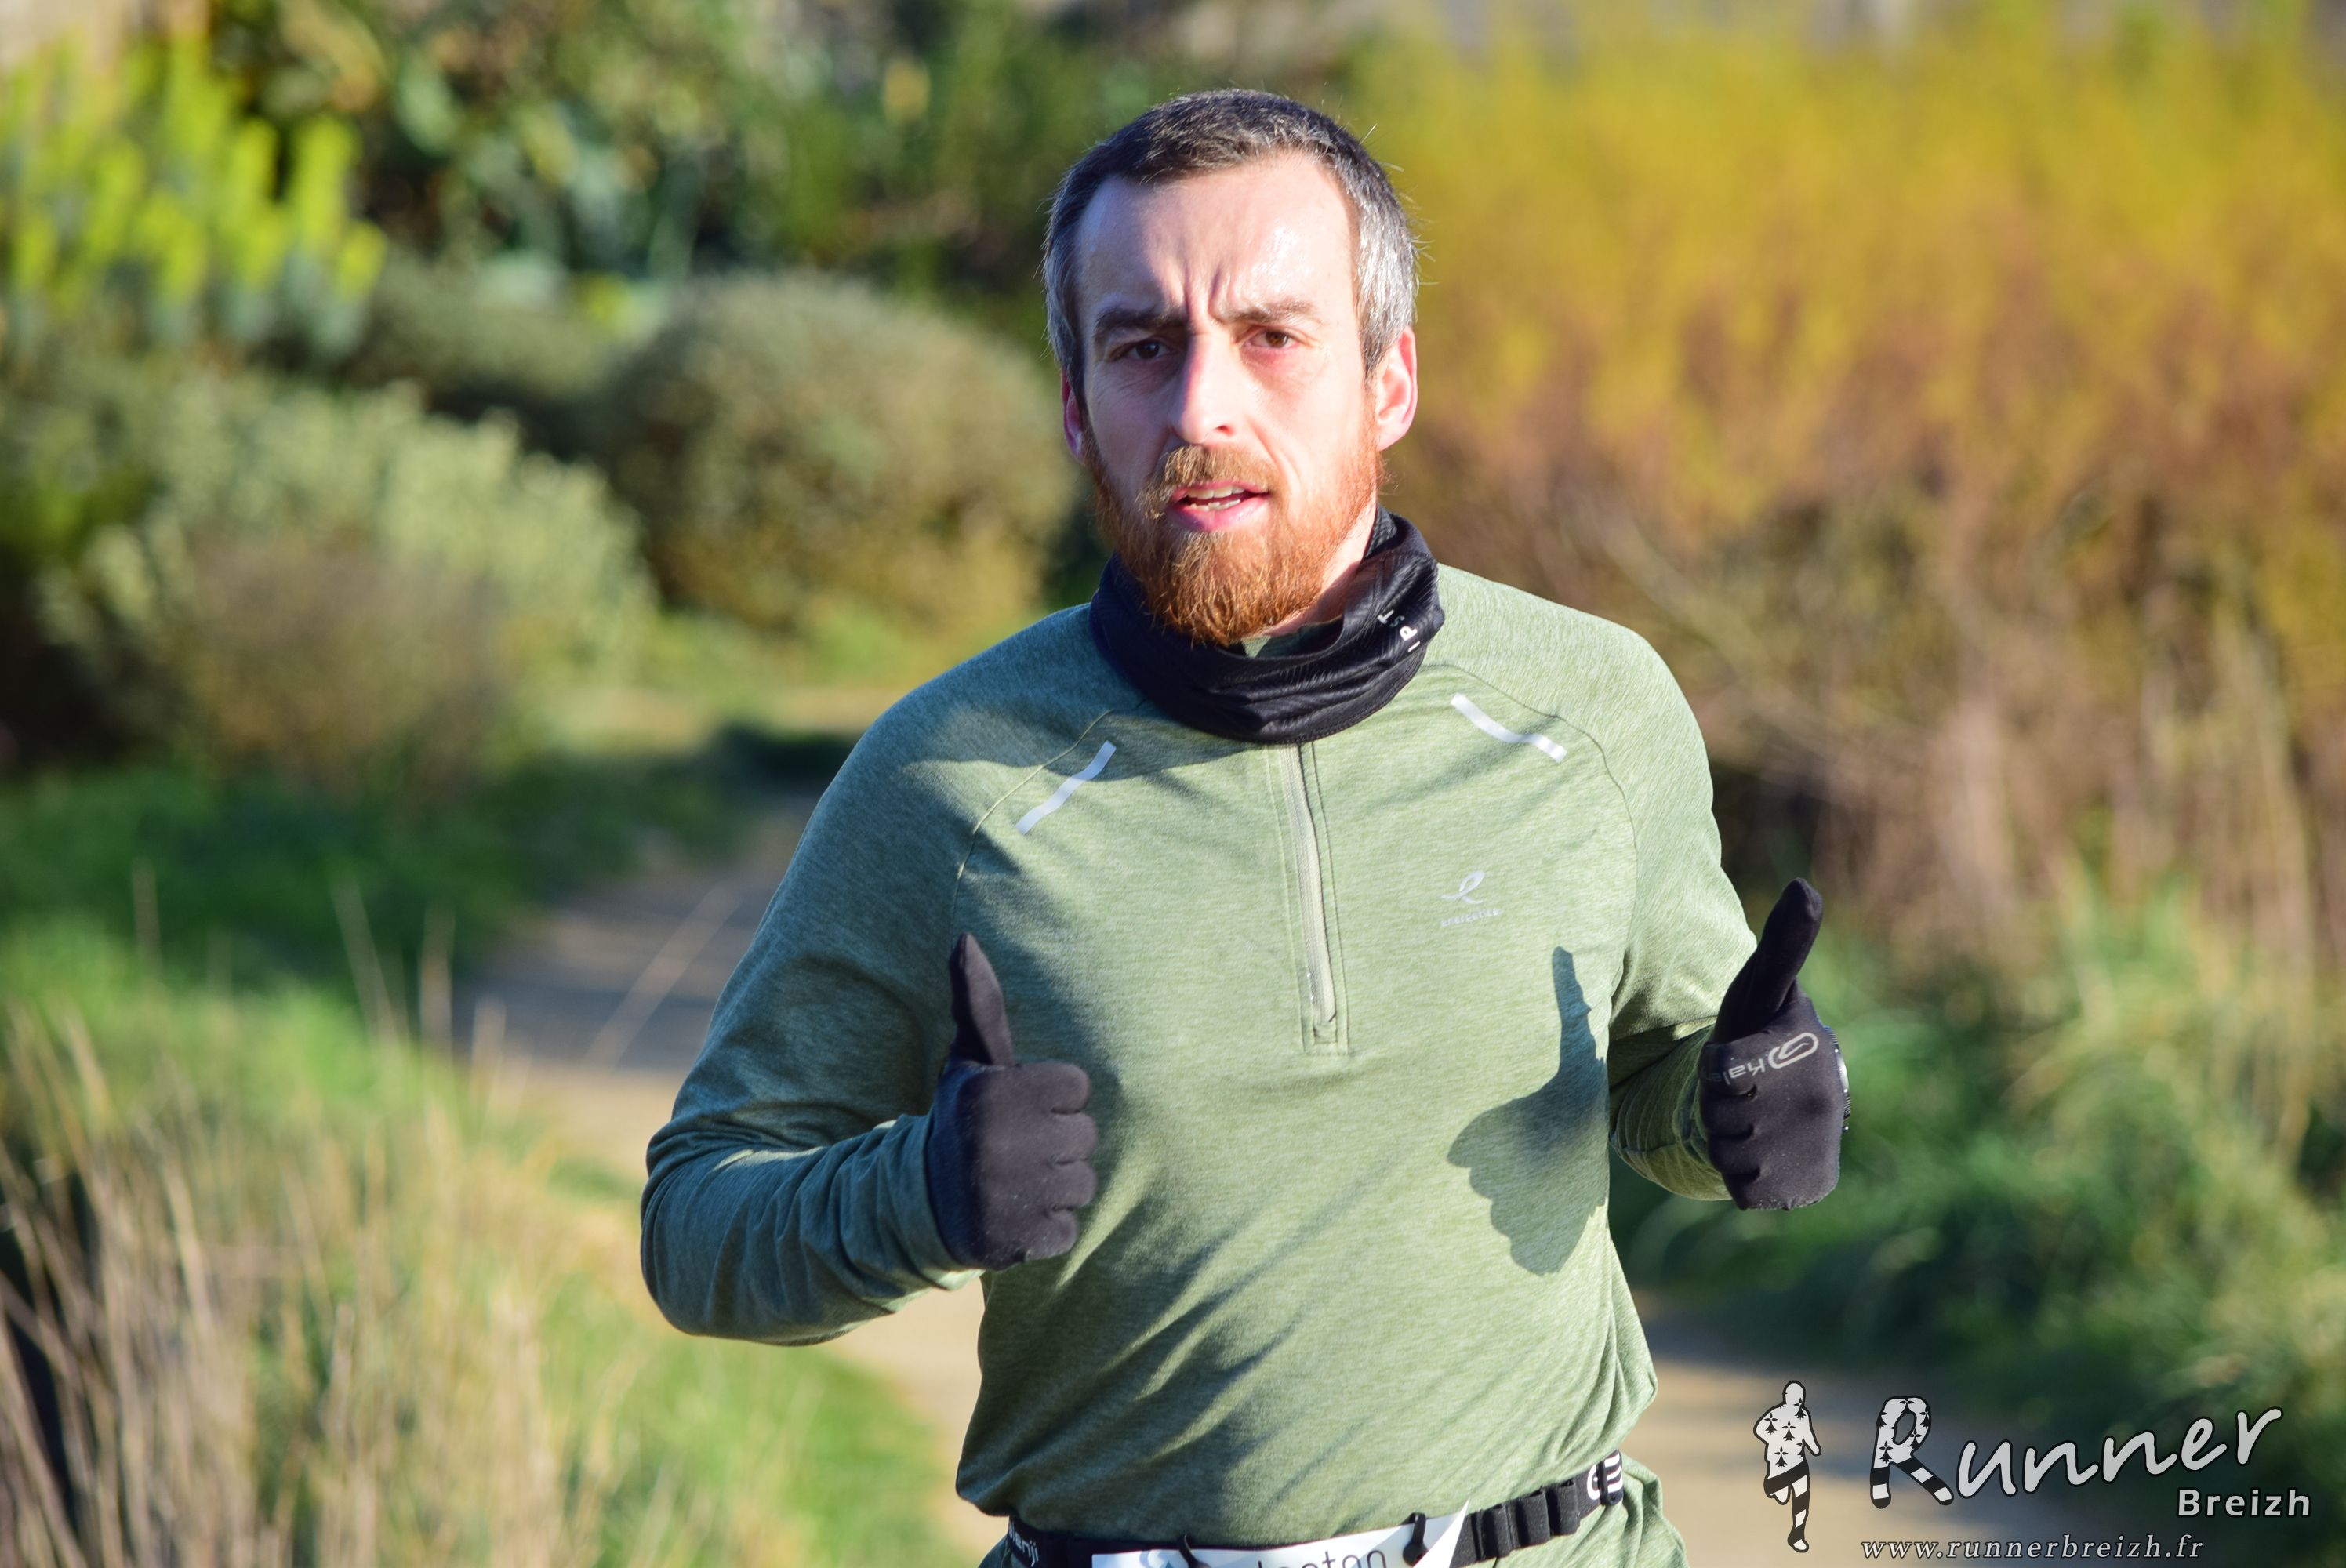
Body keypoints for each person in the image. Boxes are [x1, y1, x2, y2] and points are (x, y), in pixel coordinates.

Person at [639, 88, 1852, 1567]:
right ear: (1077, 405)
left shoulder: (1591, 707)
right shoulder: (946, 775)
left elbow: (1668, 1079)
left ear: (1390, 381)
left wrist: (1746, 1105)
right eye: (1142, 346)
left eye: (1273, 337)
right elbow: (698, 1228)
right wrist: (921, 1196)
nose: (1202, 410)